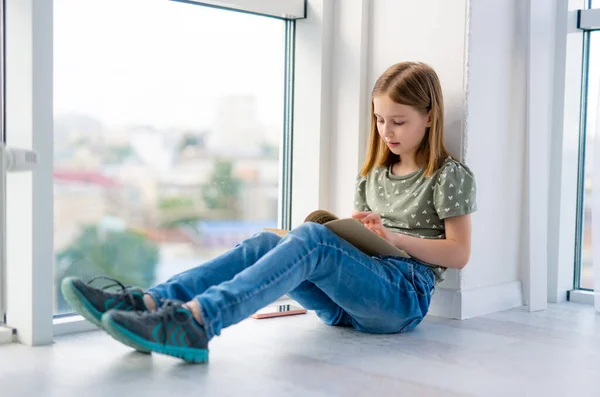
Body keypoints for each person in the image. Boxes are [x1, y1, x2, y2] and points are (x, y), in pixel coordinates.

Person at [61, 61, 477, 364]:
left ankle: (198, 323)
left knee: (312, 240)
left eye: (399, 122)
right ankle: (150, 302)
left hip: (402, 297)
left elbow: (459, 254)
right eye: (380, 120)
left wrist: (394, 239)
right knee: (266, 240)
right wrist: (358, 230)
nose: (386, 132)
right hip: (348, 301)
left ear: (429, 117)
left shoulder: (448, 175)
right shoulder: (373, 172)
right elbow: (360, 235)